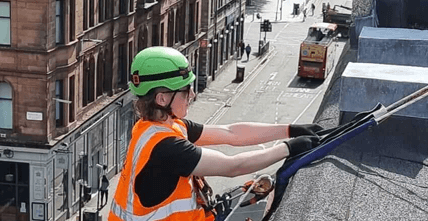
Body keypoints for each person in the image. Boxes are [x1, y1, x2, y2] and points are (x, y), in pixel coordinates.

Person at [108, 46, 322, 221]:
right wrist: (288, 148)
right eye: (185, 90)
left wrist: (290, 130)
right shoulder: (167, 148)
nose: (192, 94)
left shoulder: (155, 126)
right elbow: (232, 167)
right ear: (162, 99)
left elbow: (231, 133)